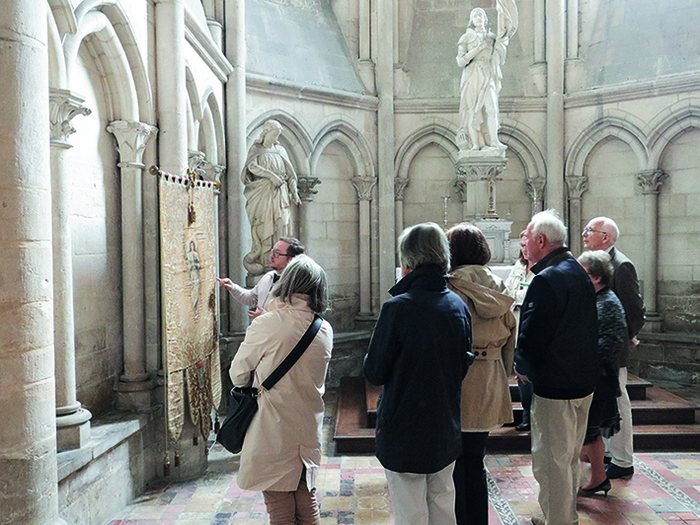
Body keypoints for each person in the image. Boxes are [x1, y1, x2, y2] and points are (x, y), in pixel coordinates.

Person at [364, 222, 473, 525]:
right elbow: (463, 363)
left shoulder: (398, 308)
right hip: (444, 421)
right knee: (442, 503)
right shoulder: (457, 305)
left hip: (404, 424)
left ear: (407, 261)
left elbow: (374, 371)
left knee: (410, 511)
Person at [229, 254, 333, 525]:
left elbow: (237, 373)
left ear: (286, 283)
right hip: (307, 425)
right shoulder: (324, 329)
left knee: (279, 506)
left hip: (273, 426)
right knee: (305, 500)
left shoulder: (268, 323)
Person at [513, 210, 599, 525]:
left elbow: (534, 333)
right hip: (581, 381)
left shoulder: (548, 278)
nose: (524, 243)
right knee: (568, 459)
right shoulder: (577, 270)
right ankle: (560, 516)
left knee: (551, 462)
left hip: (555, 384)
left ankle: (560, 522)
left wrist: (522, 367)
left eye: (527, 236)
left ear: (541, 240)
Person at [446, 223, 516, 525]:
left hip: (459, 379)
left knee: (454, 463)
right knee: (476, 459)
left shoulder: (450, 286)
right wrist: (505, 370)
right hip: (490, 376)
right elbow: (513, 332)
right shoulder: (498, 286)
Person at [582, 216, 646, 480]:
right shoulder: (598, 262)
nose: (584, 234)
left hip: (613, 348)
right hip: (601, 346)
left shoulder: (621, 265)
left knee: (618, 403)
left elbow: (635, 308)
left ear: (605, 237)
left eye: (590, 230)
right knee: (607, 403)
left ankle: (622, 459)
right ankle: (609, 453)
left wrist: (628, 335)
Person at [577, 250, 627, 497]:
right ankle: (597, 476)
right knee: (589, 432)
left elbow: (610, 344)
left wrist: (578, 359)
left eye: (581, 272)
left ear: (595, 278)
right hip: (593, 376)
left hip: (599, 378)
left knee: (587, 431)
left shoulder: (607, 302)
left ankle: (596, 477)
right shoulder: (596, 298)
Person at [242, 119, 301, 275]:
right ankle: (266, 262)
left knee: (282, 224)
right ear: (266, 132)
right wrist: (270, 176)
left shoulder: (281, 150)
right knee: (264, 227)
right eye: (274, 134)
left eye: (278, 135)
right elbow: (251, 166)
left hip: (281, 195)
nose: (276, 138)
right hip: (263, 194)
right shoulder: (256, 149)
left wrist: (294, 192)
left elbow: (291, 175)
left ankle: (282, 263)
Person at [455, 7, 514, 151]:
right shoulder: (466, 37)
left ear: (486, 19)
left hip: (487, 74)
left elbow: (501, 56)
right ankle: (475, 144)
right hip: (472, 75)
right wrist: (478, 49)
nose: (479, 17)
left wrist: (502, 39)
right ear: (472, 20)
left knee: (492, 108)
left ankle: (494, 141)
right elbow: (461, 61)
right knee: (472, 110)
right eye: (476, 16)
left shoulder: (493, 38)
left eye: (482, 15)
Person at [217, 236, 305, 320]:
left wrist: (263, 316)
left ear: (291, 259)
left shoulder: (297, 284)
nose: (271, 256)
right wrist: (232, 287)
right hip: (261, 331)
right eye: (272, 251)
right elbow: (251, 298)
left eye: (277, 253)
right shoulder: (268, 276)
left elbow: (292, 318)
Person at [504, 230, 535, 432]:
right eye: (522, 247)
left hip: (530, 322)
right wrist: (518, 295)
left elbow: (531, 295)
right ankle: (526, 414)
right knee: (521, 376)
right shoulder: (519, 266)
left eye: (527, 246)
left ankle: (534, 415)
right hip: (516, 323)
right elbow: (507, 292)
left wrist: (518, 295)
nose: (524, 250)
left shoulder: (542, 269)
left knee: (531, 374)